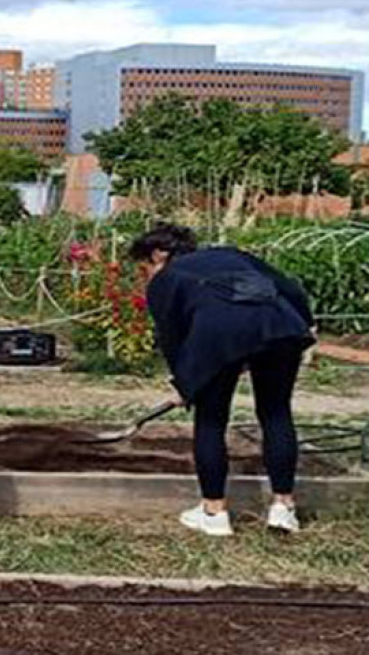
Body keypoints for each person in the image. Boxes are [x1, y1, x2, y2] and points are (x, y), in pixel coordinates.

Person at [130, 224, 316, 536]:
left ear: (159, 255)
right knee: (275, 412)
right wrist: (307, 323)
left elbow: (173, 339)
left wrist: (186, 384)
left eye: (144, 267)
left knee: (211, 420)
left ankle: (214, 513)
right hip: (283, 328)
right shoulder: (230, 254)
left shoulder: (166, 280)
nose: (144, 275)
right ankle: (283, 509)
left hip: (216, 337)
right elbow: (290, 288)